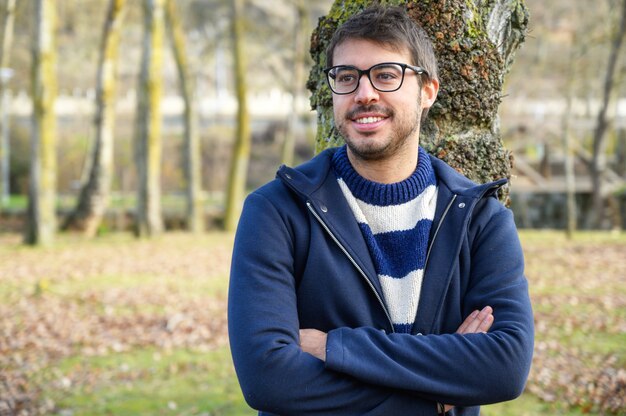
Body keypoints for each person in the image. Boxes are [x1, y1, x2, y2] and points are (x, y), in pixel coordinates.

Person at [228, 5, 534, 416]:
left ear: (428, 91)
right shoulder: (277, 212)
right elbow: (268, 378)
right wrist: (435, 394)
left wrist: (334, 347)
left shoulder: (480, 221)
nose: (364, 93)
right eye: (346, 77)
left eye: (387, 75)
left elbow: (504, 368)